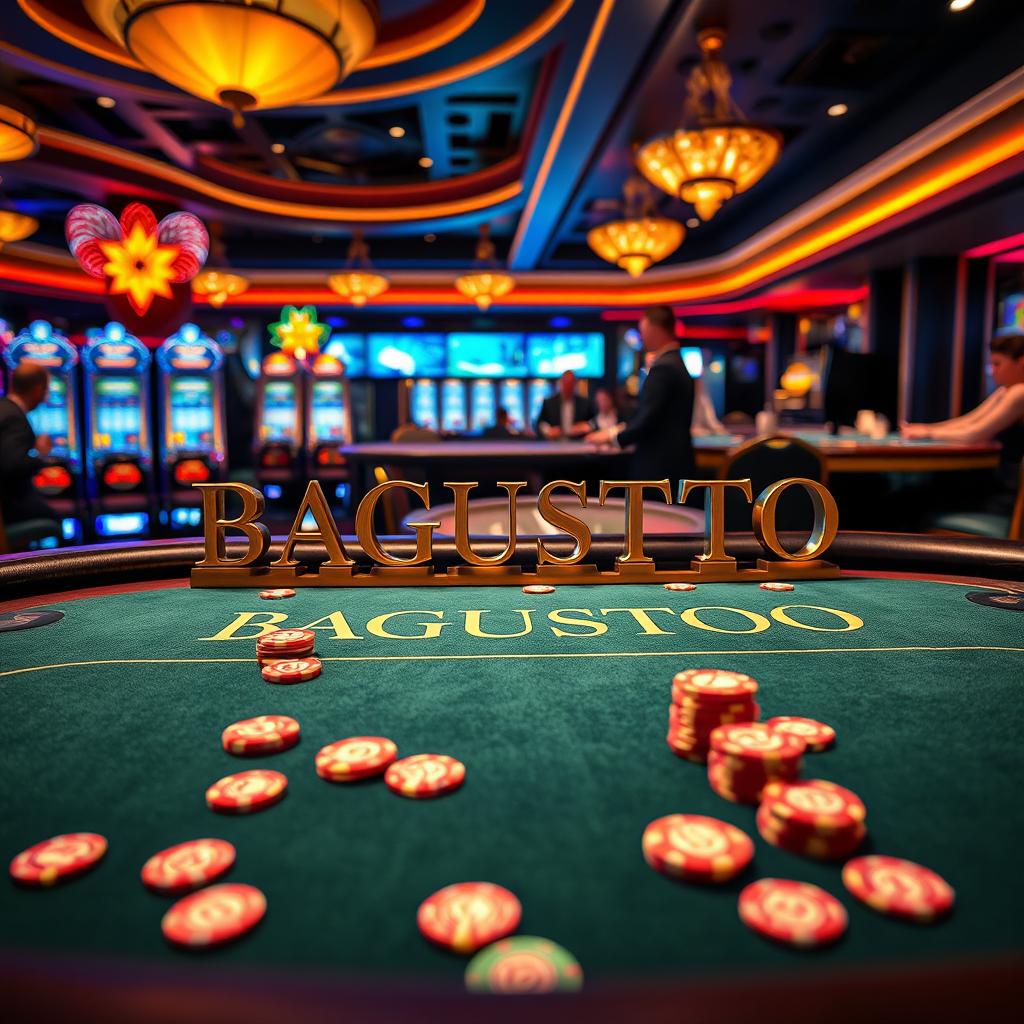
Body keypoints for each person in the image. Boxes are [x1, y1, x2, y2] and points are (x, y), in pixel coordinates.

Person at [900, 330, 1024, 515]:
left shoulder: (1019, 392)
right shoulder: (1008, 390)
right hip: (997, 483)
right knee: (918, 493)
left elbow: (974, 435)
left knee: (914, 499)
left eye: (998, 364)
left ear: (1021, 362)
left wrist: (928, 433)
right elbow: (969, 421)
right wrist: (925, 428)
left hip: (1005, 494)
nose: (993, 371)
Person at [586, 305, 695, 487]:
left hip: (660, 468)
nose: (641, 337)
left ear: (655, 329)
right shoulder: (676, 362)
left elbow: (647, 420)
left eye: (643, 331)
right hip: (675, 463)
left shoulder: (663, 368)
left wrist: (613, 437)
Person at [0, 362, 56, 527]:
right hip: (10, 506)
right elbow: (12, 467)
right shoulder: (13, 417)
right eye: (46, 390)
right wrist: (40, 453)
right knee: (57, 520)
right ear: (38, 389)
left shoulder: (4, 407)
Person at [535, 370, 594, 439]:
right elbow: (539, 423)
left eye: (570, 384)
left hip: (579, 444)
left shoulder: (585, 403)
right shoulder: (549, 403)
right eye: (566, 383)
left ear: (575, 384)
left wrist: (587, 426)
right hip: (554, 445)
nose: (568, 387)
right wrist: (548, 430)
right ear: (561, 383)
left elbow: (594, 422)